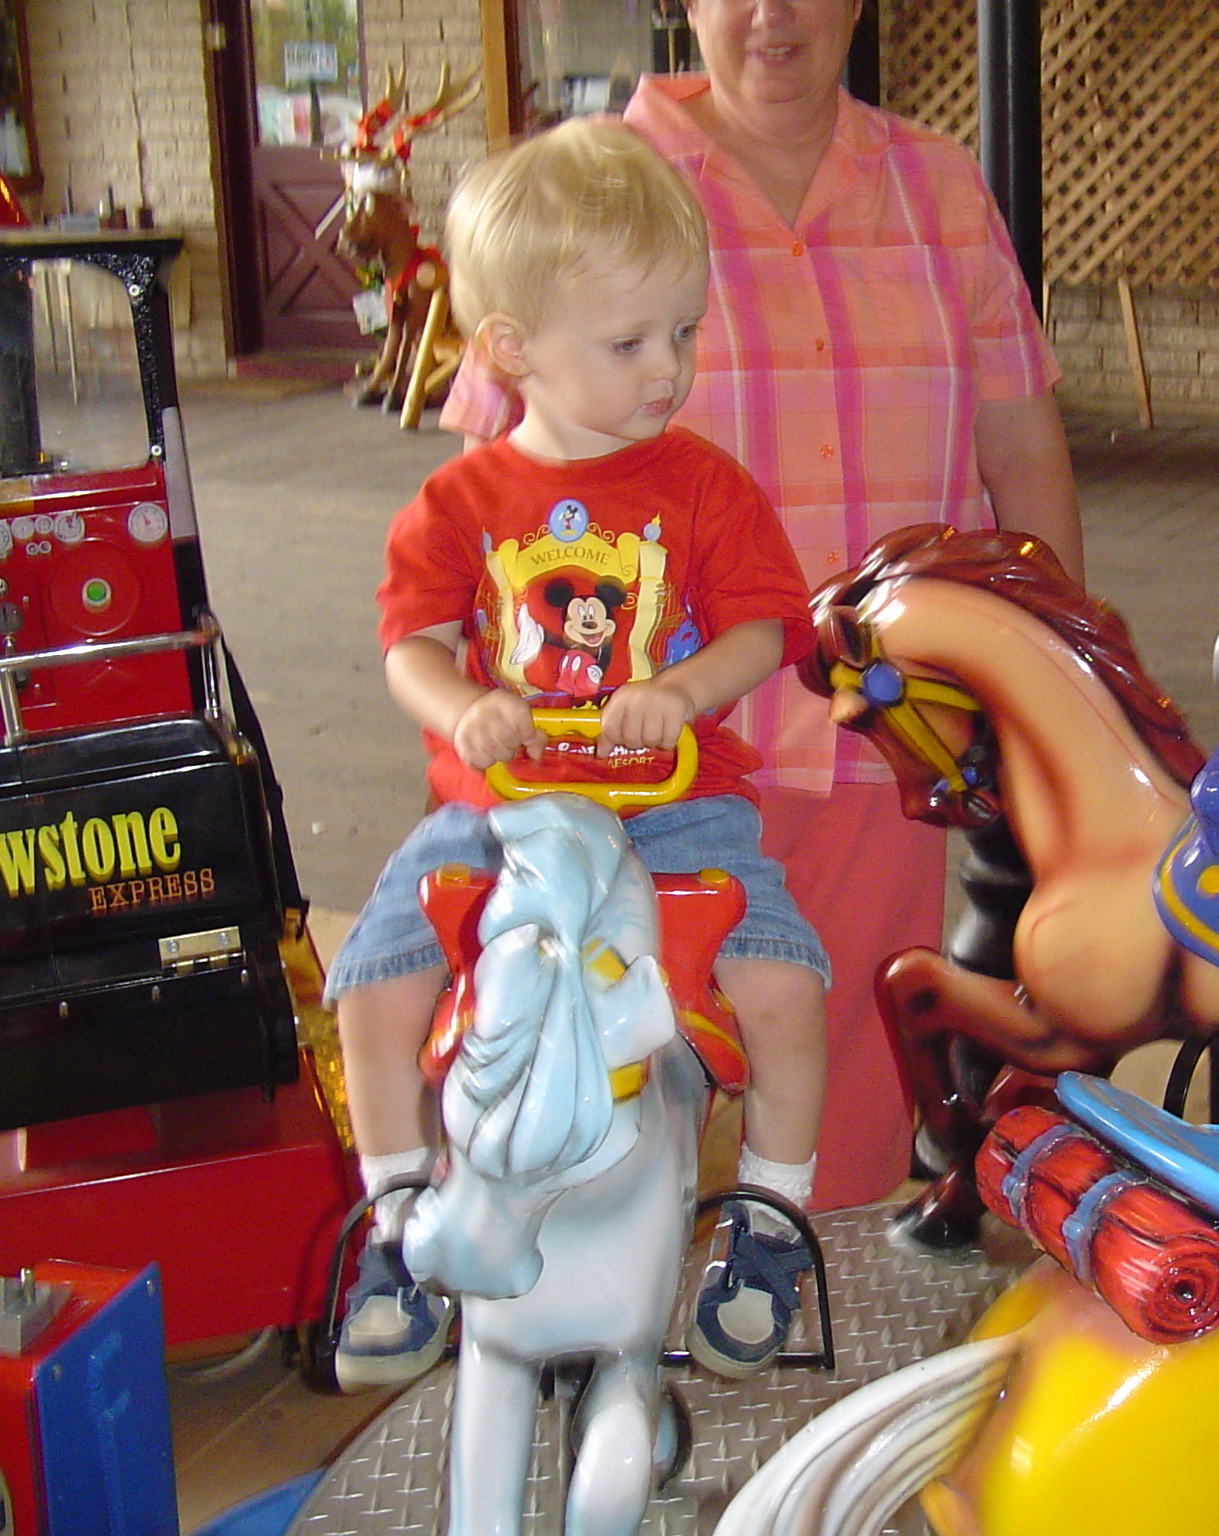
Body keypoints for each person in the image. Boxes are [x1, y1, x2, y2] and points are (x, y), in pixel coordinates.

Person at [440, 0, 1083, 1214]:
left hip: (878, 740)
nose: (770, 14)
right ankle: (603, 1314)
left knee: (844, 1110)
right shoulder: (589, 187)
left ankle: (804, 1307)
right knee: (606, 1098)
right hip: (633, 759)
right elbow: (484, 482)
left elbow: (1019, 443)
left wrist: (1051, 677)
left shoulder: (937, 191)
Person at [328, 117, 833, 1390]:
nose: (668, 368)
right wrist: (463, 707)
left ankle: (770, 1219)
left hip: (674, 811)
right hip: (496, 813)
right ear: (511, 349)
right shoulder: (457, 502)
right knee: (372, 983)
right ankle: (396, 1222)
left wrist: (682, 690)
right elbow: (409, 646)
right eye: (628, 343)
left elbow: (764, 628)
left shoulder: (704, 487)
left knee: (784, 989)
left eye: (683, 332)